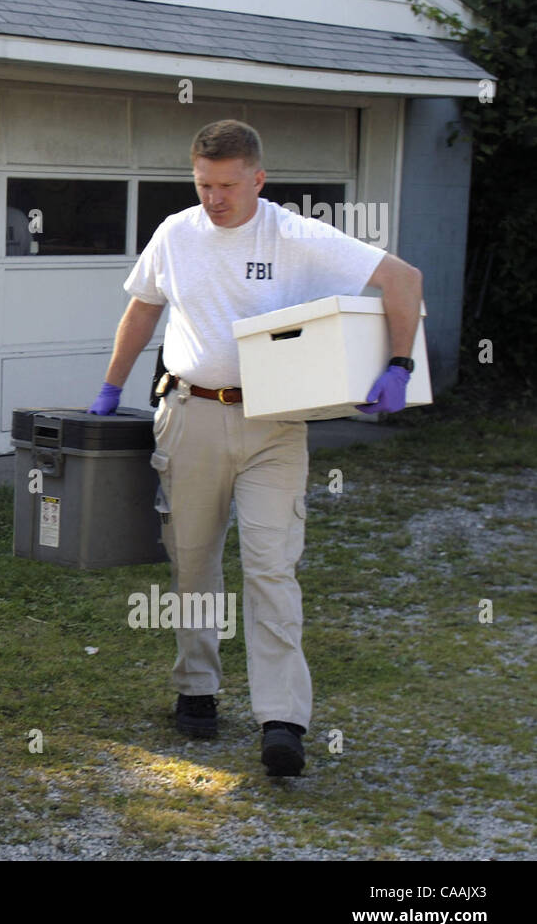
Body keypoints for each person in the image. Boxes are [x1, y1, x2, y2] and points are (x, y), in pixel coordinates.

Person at [88, 119, 422, 777]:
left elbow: (402, 278)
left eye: (229, 186)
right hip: (189, 414)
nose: (215, 199)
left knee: (272, 565)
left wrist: (400, 365)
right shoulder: (175, 234)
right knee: (193, 562)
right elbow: (143, 310)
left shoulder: (294, 234)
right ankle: (197, 690)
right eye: (204, 184)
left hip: (274, 423)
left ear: (258, 179)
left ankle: (282, 719)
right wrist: (108, 385)